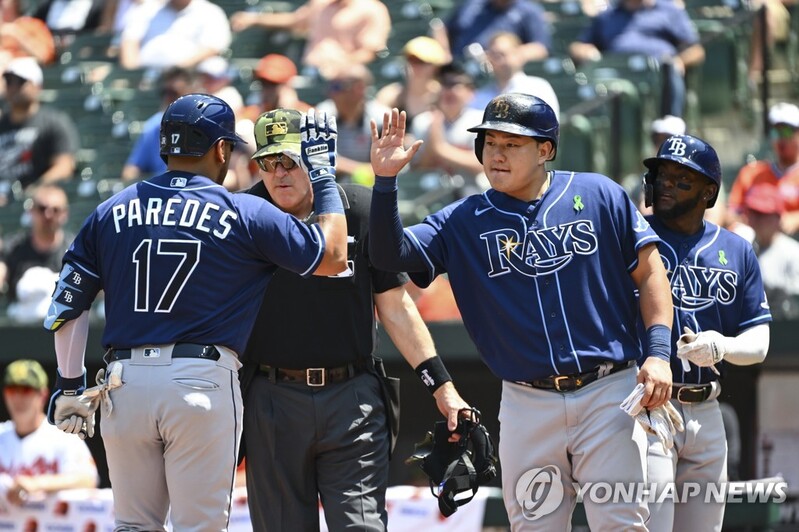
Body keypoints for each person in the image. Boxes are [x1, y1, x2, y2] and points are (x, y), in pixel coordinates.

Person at [42, 94, 348, 530]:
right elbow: (333, 256)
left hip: (123, 383)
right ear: (221, 149)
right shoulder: (244, 209)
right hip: (198, 381)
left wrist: (69, 384)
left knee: (133, 525)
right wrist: (322, 175)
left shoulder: (110, 209)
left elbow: (69, 303)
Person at [368, 95, 675, 529]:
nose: (496, 153)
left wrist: (658, 353)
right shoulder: (464, 219)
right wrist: (385, 183)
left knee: (621, 523)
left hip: (609, 392)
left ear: (545, 150)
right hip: (525, 400)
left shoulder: (598, 193)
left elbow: (651, 275)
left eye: (511, 143)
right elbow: (388, 254)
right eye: (490, 141)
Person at [241, 108, 469, 530]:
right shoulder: (245, 213)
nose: (279, 173)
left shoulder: (358, 207)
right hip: (271, 397)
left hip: (351, 395)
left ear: (316, 157)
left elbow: (396, 307)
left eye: (290, 160)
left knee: (361, 526)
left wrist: (443, 387)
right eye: (268, 162)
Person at [640, 134, 772, 532]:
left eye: (682, 179)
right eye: (663, 174)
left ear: (708, 192)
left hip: (707, 411)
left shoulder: (735, 250)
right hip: (646, 409)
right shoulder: (631, 237)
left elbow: (759, 344)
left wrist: (723, 345)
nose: (666, 184)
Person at [568, 0, 705, 117]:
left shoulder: (669, 11)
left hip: (659, 76)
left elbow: (696, 50)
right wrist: (586, 51)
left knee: (670, 67)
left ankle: (669, 131)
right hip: (618, 76)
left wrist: (679, 61)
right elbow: (578, 46)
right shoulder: (607, 16)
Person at [0, 359, 97, 509]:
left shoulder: (62, 435)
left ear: (43, 395)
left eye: (26, 390)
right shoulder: (2, 434)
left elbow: (88, 478)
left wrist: (37, 483)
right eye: (12, 391)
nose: (18, 399)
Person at [230, 0, 390, 77]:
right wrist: (254, 19)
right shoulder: (321, 4)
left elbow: (369, 52)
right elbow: (294, 21)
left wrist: (340, 65)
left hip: (345, 76)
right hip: (310, 71)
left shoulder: (372, 9)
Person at [0, 57, 79, 205]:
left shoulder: (53, 122)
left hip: (38, 204)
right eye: (9, 81)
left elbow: (65, 166)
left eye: (20, 82)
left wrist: (34, 190)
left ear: (37, 86)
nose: (13, 87)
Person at [409, 62, 485, 196]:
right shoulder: (423, 121)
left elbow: (483, 165)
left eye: (455, 84)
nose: (448, 90)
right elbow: (417, 170)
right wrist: (433, 130)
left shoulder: (480, 120)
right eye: (444, 83)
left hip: (471, 195)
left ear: (471, 92)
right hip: (431, 196)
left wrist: (440, 148)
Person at [728, 102, 799, 236]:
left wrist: (796, 218)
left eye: (786, 131)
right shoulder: (751, 172)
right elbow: (733, 213)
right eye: (775, 132)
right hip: (756, 242)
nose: (780, 138)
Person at [2, 184, 72, 319]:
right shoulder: (14, 248)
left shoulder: (76, 250)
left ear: (64, 214)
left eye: (55, 210)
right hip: (20, 331)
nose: (48, 215)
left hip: (65, 328)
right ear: (31, 211)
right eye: (42, 208)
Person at [315, 64, 390, 183]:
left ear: (359, 89)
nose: (331, 92)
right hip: (333, 184)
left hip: (373, 187)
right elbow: (320, 157)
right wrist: (360, 170)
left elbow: (389, 162)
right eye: (331, 86)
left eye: (337, 87)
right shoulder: (323, 114)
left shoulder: (381, 117)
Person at [121, 66, 196, 183]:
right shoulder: (154, 125)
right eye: (164, 93)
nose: (168, 98)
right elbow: (130, 172)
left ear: (191, 92)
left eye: (174, 93)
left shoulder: (206, 124)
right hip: (162, 192)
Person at [118, 0, 231, 70]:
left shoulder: (210, 11)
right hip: (145, 77)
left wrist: (178, 69)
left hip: (187, 76)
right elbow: (130, 41)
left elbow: (213, 48)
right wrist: (131, 72)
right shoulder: (148, 9)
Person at [470, 31, 560, 118]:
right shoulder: (480, 95)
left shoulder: (538, 88)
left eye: (502, 54)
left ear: (518, 54)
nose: (498, 60)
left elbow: (547, 127)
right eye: (493, 55)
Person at [743, 183, 799, 319]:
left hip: (786, 327)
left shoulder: (792, 251)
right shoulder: (744, 248)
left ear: (777, 218)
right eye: (753, 213)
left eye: (762, 214)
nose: (757, 220)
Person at [435, 0, 551, 63]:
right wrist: (445, 53)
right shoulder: (471, 4)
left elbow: (540, 48)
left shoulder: (529, 11)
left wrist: (499, 56)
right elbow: (440, 27)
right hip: (460, 69)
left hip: (498, 77)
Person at [375, 36, 447, 130]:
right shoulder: (391, 95)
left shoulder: (443, 95)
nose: (415, 66)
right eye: (411, 60)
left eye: (422, 62)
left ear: (436, 67)